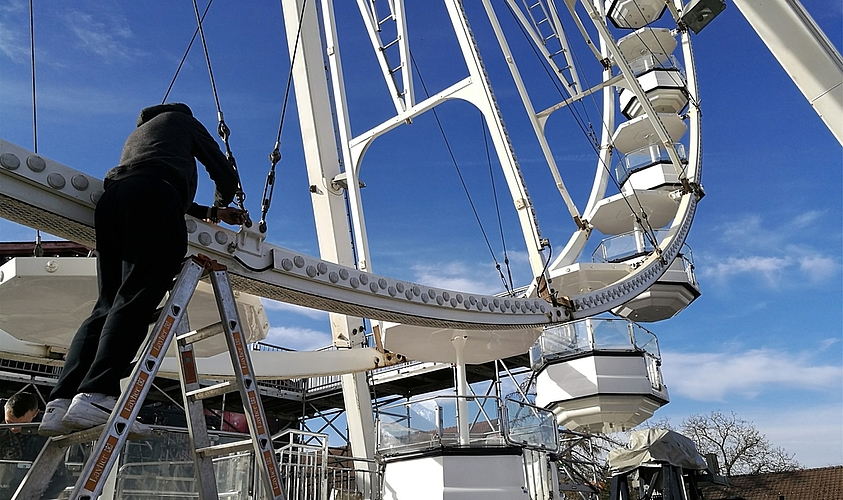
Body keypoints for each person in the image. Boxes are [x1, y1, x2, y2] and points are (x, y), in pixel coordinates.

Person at [39, 103, 247, 437]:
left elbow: (152, 176)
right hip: (154, 198)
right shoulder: (182, 121)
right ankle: (98, 393)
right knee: (137, 296)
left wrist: (208, 211)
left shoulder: (140, 137)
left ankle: (60, 402)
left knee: (106, 303)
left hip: (116, 199)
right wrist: (224, 202)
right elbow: (222, 172)